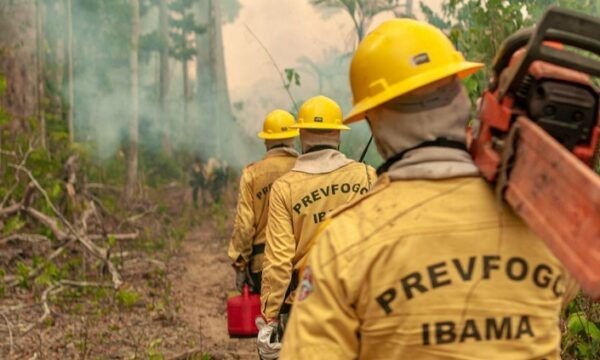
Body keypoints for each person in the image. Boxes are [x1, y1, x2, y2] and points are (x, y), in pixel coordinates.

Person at [280, 19, 578, 359]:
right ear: (464, 98)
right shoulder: (540, 215)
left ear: (374, 119)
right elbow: (559, 291)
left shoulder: (343, 241)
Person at [257, 95, 376, 359]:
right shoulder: (366, 175)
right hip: (360, 300)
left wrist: (270, 317)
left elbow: (278, 261)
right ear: (338, 134)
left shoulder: (285, 188)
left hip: (305, 304)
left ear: (300, 135)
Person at [227, 109, 299, 294]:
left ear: (266, 140)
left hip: (264, 263)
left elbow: (244, 225)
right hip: (301, 262)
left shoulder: (252, 174)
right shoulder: (306, 169)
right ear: (293, 138)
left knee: (268, 319)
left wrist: (240, 264)